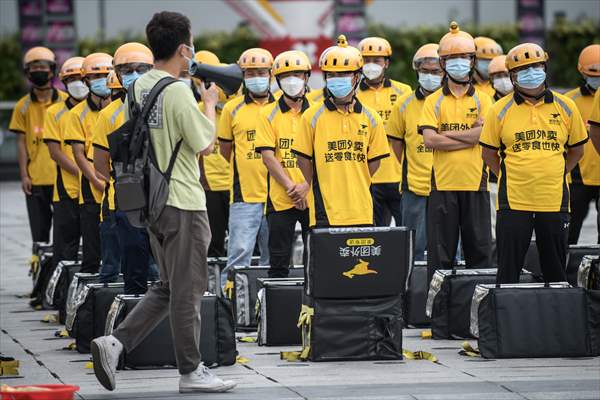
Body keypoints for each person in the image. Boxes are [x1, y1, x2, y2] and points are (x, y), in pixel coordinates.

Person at [91, 11, 235, 393]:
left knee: (169, 286)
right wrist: (209, 102)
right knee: (188, 290)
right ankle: (191, 370)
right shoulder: (175, 92)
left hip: (150, 201)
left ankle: (115, 342)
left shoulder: (137, 88)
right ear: (184, 47)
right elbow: (205, 144)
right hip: (184, 202)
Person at [480, 43, 588, 283]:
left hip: (554, 201)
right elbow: (488, 154)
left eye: (536, 66)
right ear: (512, 76)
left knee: (556, 270)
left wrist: (558, 172)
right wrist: (509, 175)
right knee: (508, 271)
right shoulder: (499, 110)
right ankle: (506, 319)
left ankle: (557, 318)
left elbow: (577, 150)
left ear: (545, 68)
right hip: (514, 203)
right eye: (523, 69)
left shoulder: (566, 107)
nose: (531, 72)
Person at [292, 35, 390, 227]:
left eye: (343, 74)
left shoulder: (371, 118)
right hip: (325, 210)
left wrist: (355, 175)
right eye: (331, 75)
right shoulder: (311, 116)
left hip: (361, 209)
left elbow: (375, 162)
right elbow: (302, 159)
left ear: (356, 77)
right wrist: (323, 179)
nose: (337, 80)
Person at [418, 22, 493, 274]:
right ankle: (437, 313)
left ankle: (478, 310)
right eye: (451, 58)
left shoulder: (484, 98)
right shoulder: (433, 100)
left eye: (464, 57)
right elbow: (430, 140)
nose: (458, 63)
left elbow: (483, 137)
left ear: (472, 61)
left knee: (480, 254)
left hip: (476, 185)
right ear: (442, 62)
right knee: (440, 257)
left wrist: (446, 133)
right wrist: (468, 135)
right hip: (442, 186)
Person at [92, 42, 158, 293]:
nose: (134, 75)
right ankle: (134, 306)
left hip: (161, 188)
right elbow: (99, 163)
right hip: (128, 189)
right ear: (117, 75)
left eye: (140, 69)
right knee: (134, 256)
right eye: (127, 70)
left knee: (161, 257)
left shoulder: (164, 104)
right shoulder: (108, 115)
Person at [218, 47, 274, 286]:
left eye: (261, 72)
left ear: (271, 74)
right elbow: (225, 150)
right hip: (245, 196)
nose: (256, 78)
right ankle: (229, 313)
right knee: (238, 257)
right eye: (250, 73)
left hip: (277, 198)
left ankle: (268, 312)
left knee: (273, 260)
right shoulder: (232, 108)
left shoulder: (283, 106)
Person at [256, 50, 312, 278]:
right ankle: (277, 310)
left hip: (314, 198)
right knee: (278, 260)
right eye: (286, 75)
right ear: (277, 80)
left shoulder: (317, 111)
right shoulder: (267, 114)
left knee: (317, 260)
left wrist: (306, 186)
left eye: (298, 74)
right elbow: (268, 156)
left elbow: (319, 154)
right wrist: (292, 187)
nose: (292, 80)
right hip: (280, 199)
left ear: (307, 77)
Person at [387, 43, 442, 261]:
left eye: (436, 71)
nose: (430, 76)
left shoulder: (450, 102)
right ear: (417, 71)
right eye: (425, 71)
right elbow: (396, 143)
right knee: (414, 250)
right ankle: (414, 292)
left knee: (448, 250)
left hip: (448, 187)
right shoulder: (404, 104)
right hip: (414, 189)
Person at [10, 47, 66, 255]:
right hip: (36, 180)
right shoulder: (21, 107)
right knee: (39, 235)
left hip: (62, 178)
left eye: (43, 67)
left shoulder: (65, 101)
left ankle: (59, 279)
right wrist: (24, 175)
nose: (39, 71)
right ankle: (38, 275)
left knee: (64, 233)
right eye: (34, 68)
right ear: (27, 72)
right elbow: (20, 143)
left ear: (52, 70)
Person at [63, 52, 113, 273]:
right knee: (92, 250)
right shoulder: (76, 115)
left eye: (106, 75)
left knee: (118, 245)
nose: (102, 81)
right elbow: (78, 154)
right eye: (96, 77)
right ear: (86, 81)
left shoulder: (120, 108)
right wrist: (95, 179)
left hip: (119, 186)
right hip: (91, 187)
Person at [356, 37, 412, 226]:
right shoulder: (352, 95)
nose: (371, 65)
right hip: (369, 178)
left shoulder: (404, 91)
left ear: (386, 63)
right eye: (366, 60)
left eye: (377, 60)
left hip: (399, 178)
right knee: (375, 236)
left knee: (407, 233)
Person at [42, 57, 86, 268]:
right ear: (64, 82)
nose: (77, 83)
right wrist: (82, 171)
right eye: (71, 79)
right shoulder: (54, 112)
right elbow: (55, 152)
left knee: (95, 246)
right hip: (66, 189)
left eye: (80, 78)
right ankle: (58, 295)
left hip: (95, 190)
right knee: (64, 248)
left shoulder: (100, 110)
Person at [194, 51, 231, 258]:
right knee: (213, 244)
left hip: (236, 186)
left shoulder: (235, 110)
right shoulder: (198, 109)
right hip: (209, 186)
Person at [564, 44, 600, 244]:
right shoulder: (569, 100)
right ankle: (565, 273)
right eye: (592, 74)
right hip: (577, 175)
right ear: (582, 72)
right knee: (569, 232)